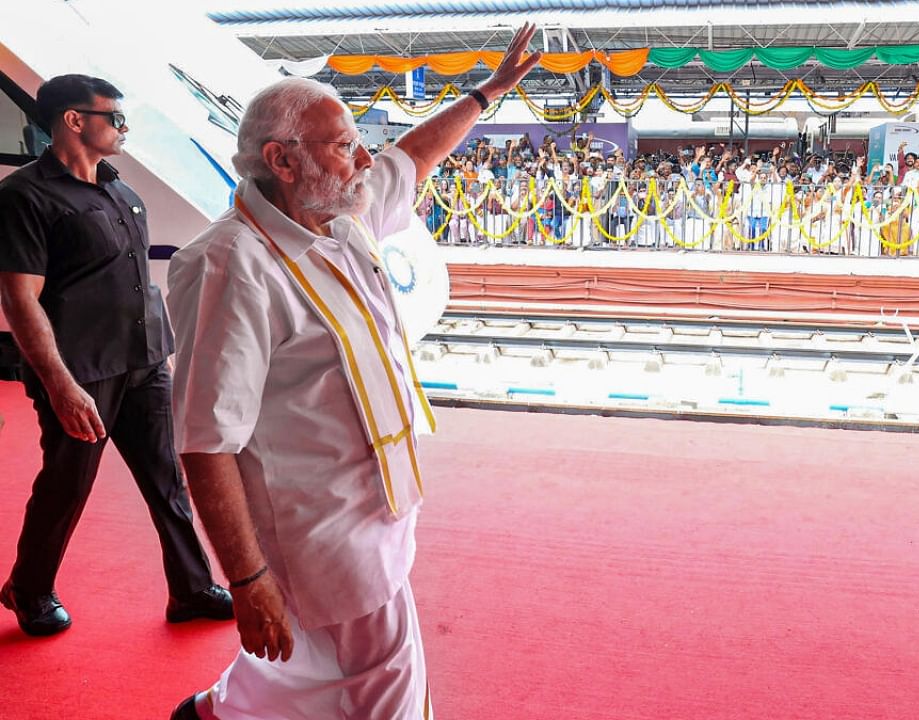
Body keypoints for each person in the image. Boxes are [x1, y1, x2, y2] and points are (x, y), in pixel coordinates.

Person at [163, 25, 542, 720]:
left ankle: (216, 714)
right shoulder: (232, 266)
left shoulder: (341, 215)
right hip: (323, 537)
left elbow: (413, 158)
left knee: (308, 667)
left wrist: (488, 93)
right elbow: (205, 440)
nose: (364, 158)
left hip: (377, 509)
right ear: (281, 159)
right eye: (344, 145)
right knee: (388, 692)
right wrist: (247, 583)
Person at [0, 74, 230, 638]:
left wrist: (159, 357)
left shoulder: (121, 189)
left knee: (166, 478)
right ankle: (28, 589)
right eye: (115, 117)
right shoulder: (25, 196)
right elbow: (19, 298)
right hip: (80, 372)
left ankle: (192, 588)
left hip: (143, 361)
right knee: (67, 483)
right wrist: (59, 384)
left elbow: (130, 284)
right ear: (75, 120)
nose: (124, 128)